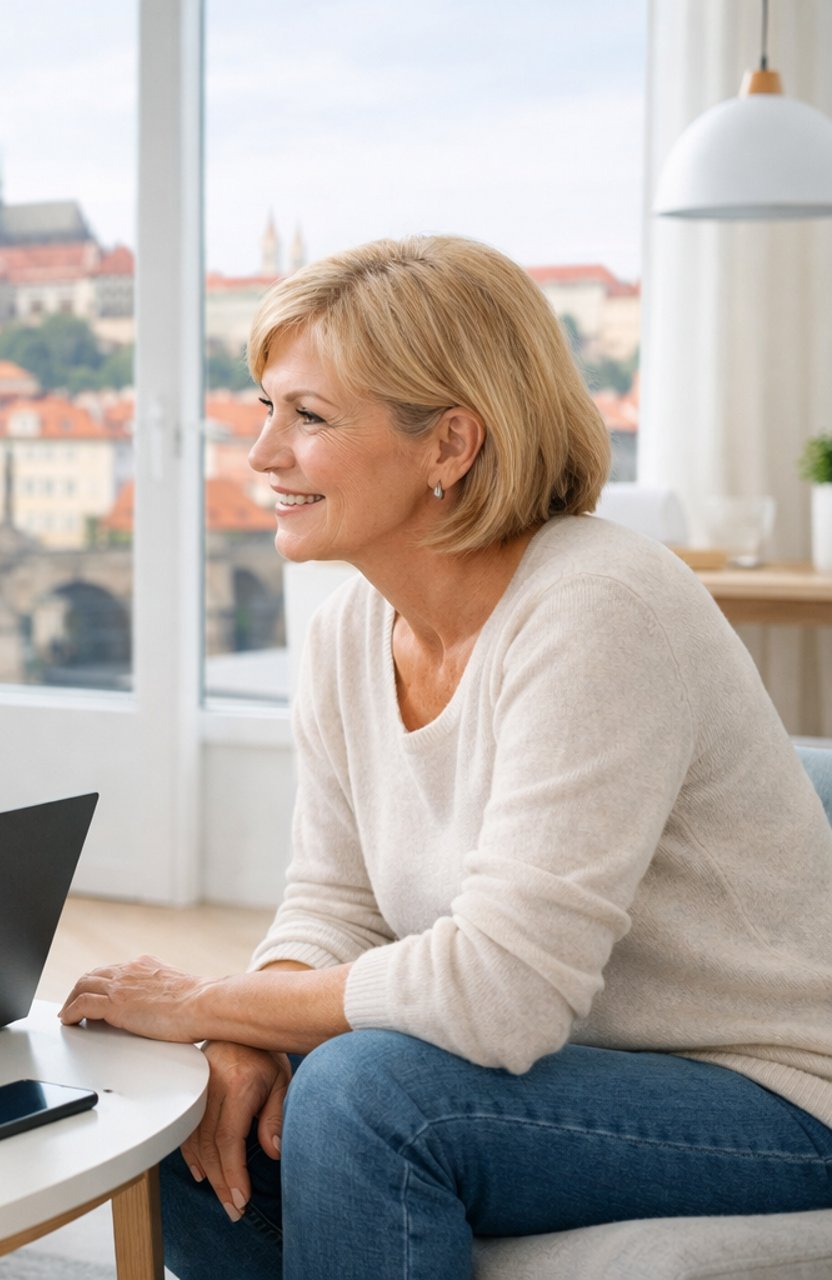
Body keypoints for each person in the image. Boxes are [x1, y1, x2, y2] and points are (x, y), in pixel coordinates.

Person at [61, 236, 832, 1277]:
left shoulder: (598, 610)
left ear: (449, 445)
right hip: (565, 1072)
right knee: (191, 1098)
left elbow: (502, 989)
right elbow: (332, 902)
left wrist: (207, 998)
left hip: (771, 1095)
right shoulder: (348, 631)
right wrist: (239, 1037)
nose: (261, 454)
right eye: (264, 407)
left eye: (310, 415)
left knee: (369, 1095)